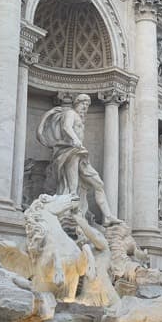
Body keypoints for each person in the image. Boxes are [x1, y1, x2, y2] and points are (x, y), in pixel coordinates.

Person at [36, 94, 118, 225]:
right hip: (70, 151)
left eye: (87, 105)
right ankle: (67, 217)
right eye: (83, 104)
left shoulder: (80, 118)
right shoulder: (70, 113)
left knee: (99, 184)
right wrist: (75, 139)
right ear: (77, 103)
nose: (85, 107)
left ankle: (108, 216)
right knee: (72, 188)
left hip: (80, 153)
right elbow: (66, 127)